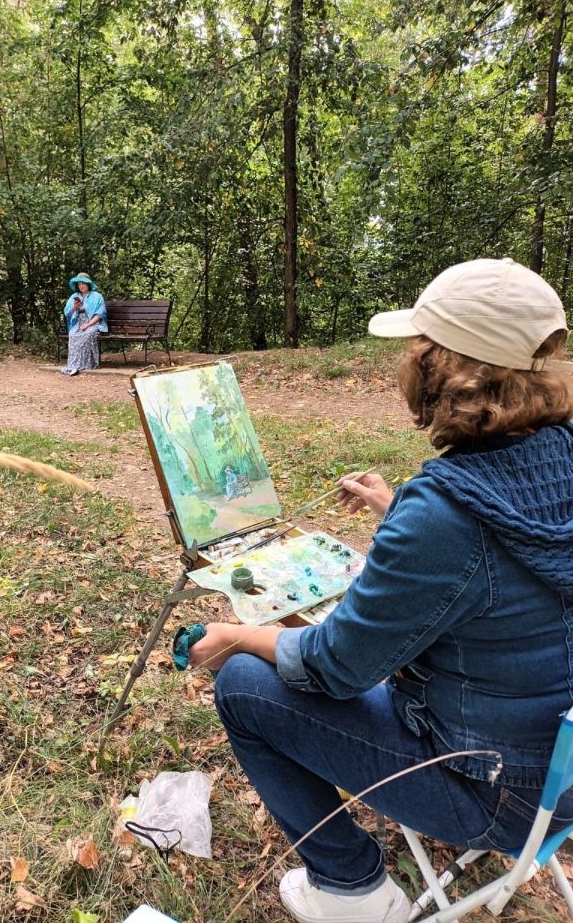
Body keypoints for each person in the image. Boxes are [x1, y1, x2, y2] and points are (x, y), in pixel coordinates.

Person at [189, 258, 573, 923]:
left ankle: (352, 891)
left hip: (497, 794)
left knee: (245, 687)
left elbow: (334, 670)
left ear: (445, 366)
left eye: (418, 347)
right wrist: (397, 511)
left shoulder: (446, 515)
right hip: (558, 775)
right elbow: (501, 570)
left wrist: (237, 636)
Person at [61, 272, 108, 376]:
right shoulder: (74, 296)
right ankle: (72, 366)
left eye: (83, 283)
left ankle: (85, 364)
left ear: (89, 284)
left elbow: (100, 314)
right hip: (78, 324)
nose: (81, 286)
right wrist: (74, 307)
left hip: (93, 324)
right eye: (79, 284)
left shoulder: (97, 297)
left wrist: (88, 325)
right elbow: (67, 313)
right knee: (73, 335)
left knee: (87, 334)